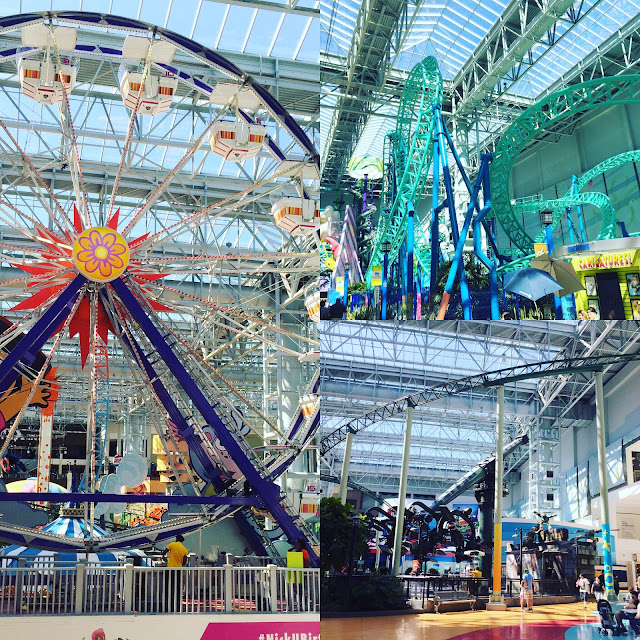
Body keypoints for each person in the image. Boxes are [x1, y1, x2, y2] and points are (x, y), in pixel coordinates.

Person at [162, 534, 188, 612]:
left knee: (168, 587)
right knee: (177, 588)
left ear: (176, 539)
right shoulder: (184, 549)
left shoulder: (172, 544)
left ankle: (167, 604)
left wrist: (163, 557)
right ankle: (176, 604)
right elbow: (184, 561)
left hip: (169, 569)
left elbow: (164, 552)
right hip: (178, 570)